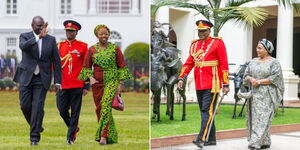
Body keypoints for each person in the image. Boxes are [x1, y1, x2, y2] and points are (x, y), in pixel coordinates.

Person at [177, 20, 230, 148]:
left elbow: (224, 64)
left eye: (203, 31)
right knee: (205, 110)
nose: (200, 33)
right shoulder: (195, 45)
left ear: (209, 31)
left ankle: (201, 138)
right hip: (199, 83)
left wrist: (226, 84)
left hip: (213, 82)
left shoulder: (218, 43)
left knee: (206, 110)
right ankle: (211, 140)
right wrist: (181, 78)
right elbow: (189, 63)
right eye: (199, 31)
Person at [78, 24, 132, 145]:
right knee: (99, 109)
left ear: (109, 35)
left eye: (106, 33)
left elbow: (122, 66)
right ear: (97, 35)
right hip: (97, 84)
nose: (104, 36)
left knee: (106, 107)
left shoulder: (115, 49)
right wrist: (90, 78)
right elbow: (86, 67)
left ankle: (102, 136)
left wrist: (120, 84)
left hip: (111, 82)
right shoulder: (91, 49)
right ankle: (110, 135)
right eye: (101, 33)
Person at [13, 16, 61, 146]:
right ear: (32, 25)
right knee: (25, 106)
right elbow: (23, 47)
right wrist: (38, 37)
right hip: (26, 77)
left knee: (37, 108)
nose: (40, 28)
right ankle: (37, 124)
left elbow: (56, 62)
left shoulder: (51, 40)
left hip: (42, 78)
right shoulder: (25, 36)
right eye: (38, 26)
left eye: (42, 26)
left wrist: (57, 81)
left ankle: (34, 138)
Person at [243, 38, 284, 150]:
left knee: (263, 118)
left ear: (267, 49)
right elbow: (245, 74)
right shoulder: (253, 61)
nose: (257, 50)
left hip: (268, 95)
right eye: (257, 47)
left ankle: (255, 142)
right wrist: (251, 79)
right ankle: (265, 141)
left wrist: (260, 81)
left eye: (260, 48)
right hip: (254, 95)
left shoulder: (274, 62)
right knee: (254, 117)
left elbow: (276, 77)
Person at [56, 20, 89, 145]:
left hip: (77, 84)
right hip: (63, 84)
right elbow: (55, 65)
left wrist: (86, 85)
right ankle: (74, 127)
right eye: (67, 31)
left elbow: (86, 67)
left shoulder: (83, 46)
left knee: (75, 112)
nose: (69, 33)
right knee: (62, 110)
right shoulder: (59, 46)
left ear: (76, 32)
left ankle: (70, 138)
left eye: (71, 31)